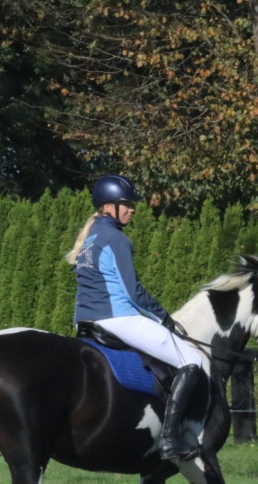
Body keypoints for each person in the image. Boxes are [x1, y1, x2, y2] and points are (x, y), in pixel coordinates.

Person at [66, 174, 204, 461]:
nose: (132, 209)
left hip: (85, 321)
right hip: (118, 318)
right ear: (108, 206)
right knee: (193, 360)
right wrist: (165, 318)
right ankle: (169, 440)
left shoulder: (90, 238)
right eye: (126, 204)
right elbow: (133, 292)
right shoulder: (116, 238)